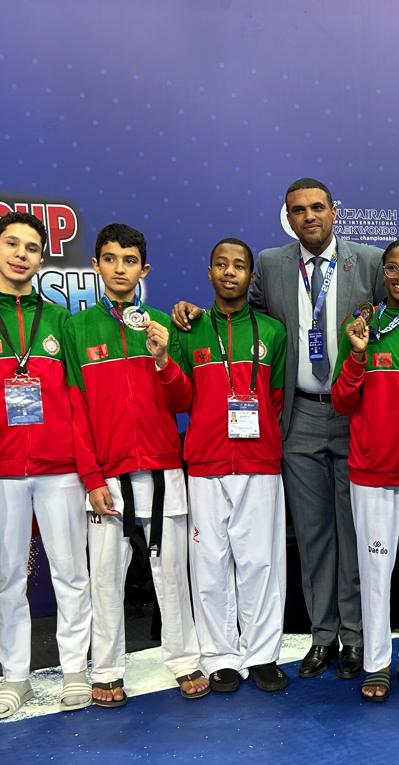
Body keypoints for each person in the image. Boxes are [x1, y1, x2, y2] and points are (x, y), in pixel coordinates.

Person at [173, 178, 385, 681]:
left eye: (318, 207)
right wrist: (194, 313)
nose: (309, 216)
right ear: (288, 218)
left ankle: (355, 638)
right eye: (298, 210)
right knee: (312, 535)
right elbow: (239, 317)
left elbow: (395, 319)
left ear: (334, 211)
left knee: (354, 531)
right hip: (299, 415)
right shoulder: (270, 264)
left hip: (355, 414)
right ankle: (323, 636)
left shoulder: (371, 262)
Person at [0, 212, 91, 718]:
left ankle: (75, 669)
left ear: (41, 258)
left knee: (72, 573)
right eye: (12, 244)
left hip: (60, 468)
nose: (20, 254)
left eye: (31, 248)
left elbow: (79, 396)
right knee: (6, 577)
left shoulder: (61, 321)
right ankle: (15, 677)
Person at [62, 223, 201, 706]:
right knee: (105, 577)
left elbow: (185, 401)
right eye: (110, 259)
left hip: (164, 469)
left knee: (173, 573)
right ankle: (106, 669)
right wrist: (91, 476)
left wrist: (163, 360)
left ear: (145, 269)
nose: (119, 269)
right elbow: (75, 409)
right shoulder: (76, 328)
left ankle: (184, 659)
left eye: (129, 261)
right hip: (107, 474)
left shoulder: (163, 324)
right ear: (96, 265)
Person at [155, 239, 289, 694]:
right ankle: (220, 656)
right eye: (221, 264)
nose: (230, 272)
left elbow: (275, 398)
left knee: (260, 562)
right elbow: (180, 398)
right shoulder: (188, 329)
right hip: (206, 461)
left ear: (252, 276)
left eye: (239, 266)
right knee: (210, 563)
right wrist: (164, 362)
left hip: (260, 463)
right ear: (209, 272)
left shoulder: (272, 331)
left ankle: (262, 654)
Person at [332, 239, 399, 701]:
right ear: (383, 275)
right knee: (375, 571)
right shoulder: (361, 327)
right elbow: (342, 401)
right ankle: (376, 661)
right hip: (373, 471)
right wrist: (358, 355)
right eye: (393, 268)